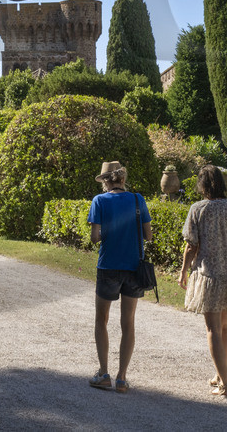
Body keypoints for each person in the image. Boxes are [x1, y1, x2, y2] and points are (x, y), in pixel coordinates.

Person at [177, 163, 227, 398]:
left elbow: (191, 246)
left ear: (202, 185)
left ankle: (225, 385)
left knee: (212, 328)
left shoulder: (198, 209)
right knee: (224, 326)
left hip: (209, 275)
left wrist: (183, 271)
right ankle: (221, 375)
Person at [87, 161, 152, 393]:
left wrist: (109, 231)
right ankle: (122, 378)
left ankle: (104, 373)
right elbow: (148, 235)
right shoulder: (137, 199)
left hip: (108, 266)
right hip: (134, 267)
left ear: (106, 181)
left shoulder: (99, 201)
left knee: (101, 319)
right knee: (128, 322)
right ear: (123, 179)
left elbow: (95, 237)